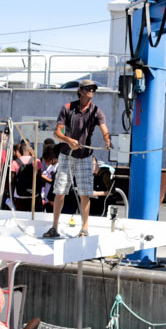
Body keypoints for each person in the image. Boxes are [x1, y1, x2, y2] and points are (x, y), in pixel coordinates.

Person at [44, 80, 112, 239]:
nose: (92, 91)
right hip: (66, 156)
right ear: (80, 91)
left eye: (94, 89)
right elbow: (57, 133)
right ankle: (54, 227)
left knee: (85, 193)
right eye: (88, 88)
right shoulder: (68, 108)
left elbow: (104, 129)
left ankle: (84, 229)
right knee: (60, 191)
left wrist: (107, 140)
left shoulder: (96, 111)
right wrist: (68, 140)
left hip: (85, 157)